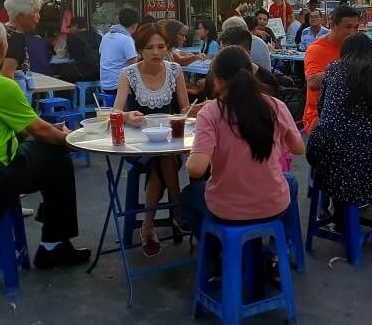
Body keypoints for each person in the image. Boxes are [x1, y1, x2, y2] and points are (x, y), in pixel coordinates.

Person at [0, 18, 90, 268]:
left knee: (45, 148)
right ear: (3, 47)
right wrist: (71, 140)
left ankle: (50, 226)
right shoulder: (1, 86)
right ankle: (53, 245)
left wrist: (47, 132)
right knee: (57, 159)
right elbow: (40, 131)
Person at [181, 46, 305, 240]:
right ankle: (279, 248)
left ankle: (215, 252)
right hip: (273, 204)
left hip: (227, 210)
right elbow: (298, 148)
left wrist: (191, 156)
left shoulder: (210, 112)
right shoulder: (275, 105)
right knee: (288, 182)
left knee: (189, 195)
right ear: (252, 71)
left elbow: (196, 169)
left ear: (218, 80)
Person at [113, 23, 190, 257]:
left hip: (170, 141)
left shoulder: (175, 70)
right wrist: (127, 115)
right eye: (149, 48)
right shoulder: (129, 74)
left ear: (167, 47)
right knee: (162, 159)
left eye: (161, 46)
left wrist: (191, 112)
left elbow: (185, 108)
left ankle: (148, 227)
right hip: (138, 145)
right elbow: (114, 114)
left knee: (163, 157)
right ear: (139, 50)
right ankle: (177, 211)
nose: (156, 52)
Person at [307, 34, 372, 208]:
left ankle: (334, 206)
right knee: (364, 149)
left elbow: (321, 108)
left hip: (322, 147)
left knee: (338, 159)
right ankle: (354, 199)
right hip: (363, 153)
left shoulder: (333, 68)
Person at [303, 5, 360, 132]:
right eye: (348, 27)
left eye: (356, 27)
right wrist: (348, 69)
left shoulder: (356, 47)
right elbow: (312, 82)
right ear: (332, 25)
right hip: (320, 115)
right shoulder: (316, 49)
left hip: (350, 112)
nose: (353, 32)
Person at [207, 26, 279, 97]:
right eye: (221, 50)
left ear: (247, 53)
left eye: (232, 53)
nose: (223, 56)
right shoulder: (216, 74)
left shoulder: (266, 80)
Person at [0, 0, 42, 80]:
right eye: (35, 11)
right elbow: (7, 75)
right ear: (21, 14)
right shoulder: (16, 38)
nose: (39, 16)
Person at [100, 7, 140, 94]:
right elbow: (134, 64)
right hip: (118, 86)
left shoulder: (105, 36)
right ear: (135, 25)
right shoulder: (126, 39)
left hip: (104, 84)